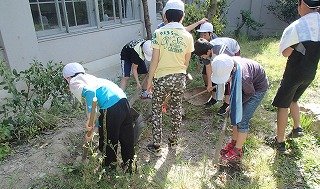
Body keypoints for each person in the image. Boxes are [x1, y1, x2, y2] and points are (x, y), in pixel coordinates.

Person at [62, 62, 135, 173]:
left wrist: (91, 119)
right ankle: (130, 167)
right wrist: (95, 126)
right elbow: (94, 100)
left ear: (67, 78)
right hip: (123, 102)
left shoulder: (74, 81)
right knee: (126, 138)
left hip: (110, 107)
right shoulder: (91, 78)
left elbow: (91, 94)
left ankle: (108, 170)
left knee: (107, 140)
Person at [146, 0, 194, 156]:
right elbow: (186, 62)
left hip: (161, 78)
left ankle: (157, 145)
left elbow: (154, 60)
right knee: (176, 109)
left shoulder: (158, 33)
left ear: (165, 16)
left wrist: (149, 80)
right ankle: (173, 141)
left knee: (156, 111)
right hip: (179, 78)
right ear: (182, 16)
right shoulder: (188, 36)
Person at [272, 0, 320, 153]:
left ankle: (279, 141)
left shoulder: (298, 26)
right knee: (294, 99)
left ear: (302, 5)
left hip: (295, 72)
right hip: (310, 72)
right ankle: (297, 128)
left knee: (283, 105)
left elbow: (286, 52)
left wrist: (295, 46)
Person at [210, 54, 268, 162]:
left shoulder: (243, 77)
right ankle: (233, 142)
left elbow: (250, 93)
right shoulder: (230, 64)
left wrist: (235, 105)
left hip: (256, 89)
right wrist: (233, 107)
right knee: (234, 115)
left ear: (231, 71)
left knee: (242, 120)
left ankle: (237, 150)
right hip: (247, 88)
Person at [196, 22, 241, 115]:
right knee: (215, 75)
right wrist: (209, 84)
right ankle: (214, 98)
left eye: (205, 34)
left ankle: (226, 103)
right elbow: (208, 69)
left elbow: (233, 63)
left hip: (232, 51)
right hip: (216, 56)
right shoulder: (204, 50)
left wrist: (230, 76)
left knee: (226, 78)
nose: (203, 58)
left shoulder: (221, 50)